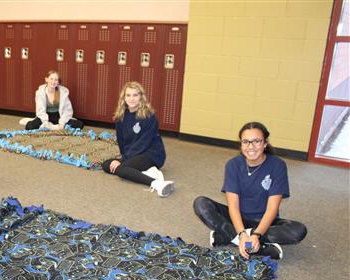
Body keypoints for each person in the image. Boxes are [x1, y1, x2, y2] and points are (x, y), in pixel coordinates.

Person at [193, 121, 307, 260]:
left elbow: (272, 208)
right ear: (241, 145)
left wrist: (257, 234)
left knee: (298, 231)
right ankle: (250, 245)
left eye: (257, 141)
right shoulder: (233, 165)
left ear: (265, 144)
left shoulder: (277, 165)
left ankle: (227, 236)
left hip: (264, 221)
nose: (250, 147)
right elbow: (233, 206)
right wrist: (241, 235)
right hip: (237, 219)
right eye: (246, 142)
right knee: (201, 204)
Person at [101, 81, 175, 197]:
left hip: (151, 153)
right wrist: (123, 156)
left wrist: (123, 160)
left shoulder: (149, 116)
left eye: (135, 95)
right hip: (134, 154)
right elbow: (121, 140)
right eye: (128, 95)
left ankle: (157, 183)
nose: (132, 99)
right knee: (106, 165)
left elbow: (143, 143)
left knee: (121, 169)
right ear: (123, 97)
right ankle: (145, 171)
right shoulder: (121, 116)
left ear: (141, 97)